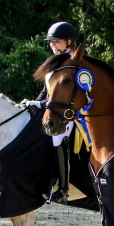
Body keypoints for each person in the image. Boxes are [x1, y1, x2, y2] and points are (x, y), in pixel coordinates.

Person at [23, 22, 78, 204]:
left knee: (57, 138)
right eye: (51, 42)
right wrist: (34, 102)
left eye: (56, 41)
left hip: (73, 111)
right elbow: (47, 91)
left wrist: (41, 103)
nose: (53, 45)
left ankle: (63, 188)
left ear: (69, 42)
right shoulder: (55, 62)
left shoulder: (73, 62)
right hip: (54, 109)